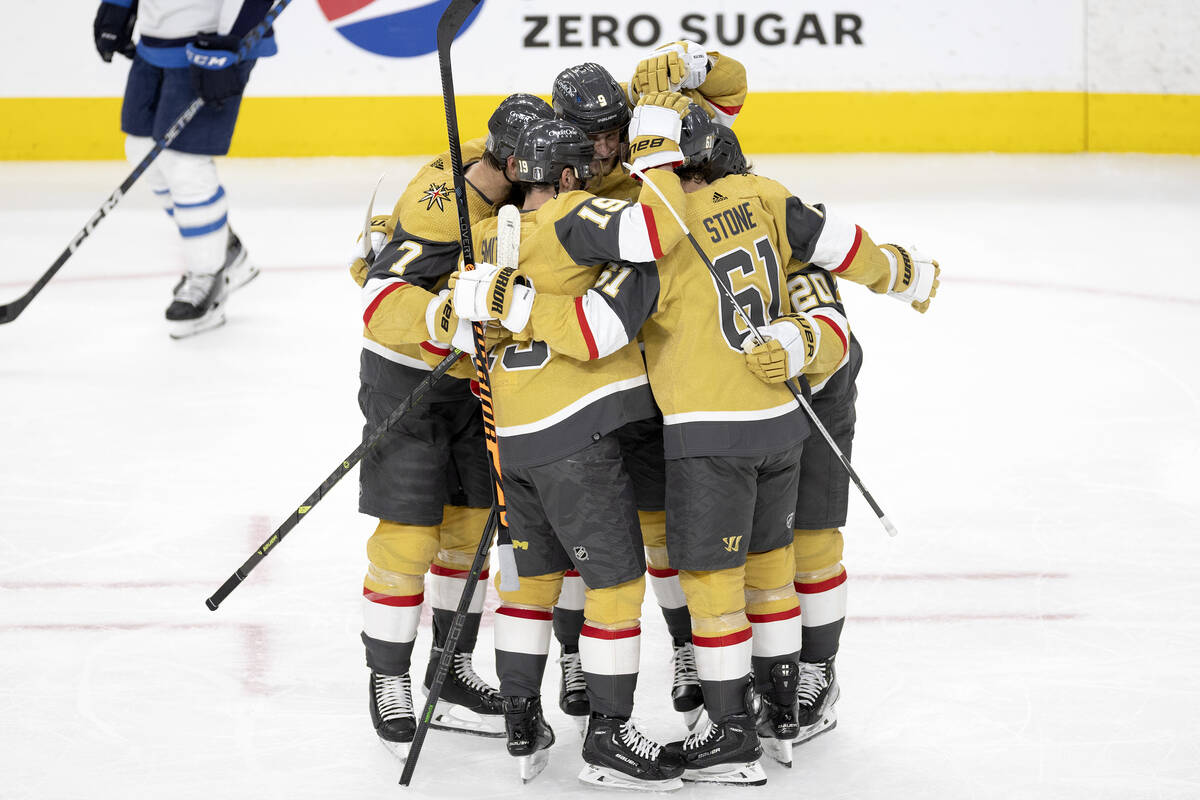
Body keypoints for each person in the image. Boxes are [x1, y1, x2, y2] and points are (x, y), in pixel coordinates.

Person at [459, 93, 939, 783]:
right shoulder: (766, 198)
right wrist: (905, 274)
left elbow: (597, 329)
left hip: (700, 434)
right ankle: (780, 710)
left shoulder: (659, 239)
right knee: (771, 571)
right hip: (781, 422)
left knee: (704, 584)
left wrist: (513, 303)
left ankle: (731, 735)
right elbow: (841, 251)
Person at [449, 118, 685, 790]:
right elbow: (654, 231)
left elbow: (466, 341)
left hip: (513, 445)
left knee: (529, 588)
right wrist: (659, 148)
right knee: (614, 586)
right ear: (567, 176)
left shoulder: (489, 238)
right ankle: (609, 736)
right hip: (575, 439)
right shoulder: (574, 214)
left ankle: (522, 720)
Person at [546, 52, 748, 731]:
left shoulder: (651, 147)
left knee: (662, 533)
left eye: (615, 130)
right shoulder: (550, 176)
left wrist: (694, 65)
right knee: (580, 542)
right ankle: (572, 655)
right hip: (580, 381)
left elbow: (733, 94)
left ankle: (690, 649)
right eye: (592, 134)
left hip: (659, 381)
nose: (607, 147)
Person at [351, 94, 554, 760]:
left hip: (473, 383)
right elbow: (380, 303)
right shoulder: (440, 200)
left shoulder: (519, 189)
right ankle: (389, 677)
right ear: (511, 159)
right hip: (406, 382)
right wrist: (445, 318)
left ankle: (451, 669)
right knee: (410, 534)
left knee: (468, 533)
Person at [93, 0, 276, 338]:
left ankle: (209, 275)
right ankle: (226, 250)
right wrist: (118, 6)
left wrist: (231, 39)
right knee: (141, 148)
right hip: (156, 39)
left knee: (184, 162)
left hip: (213, 43)